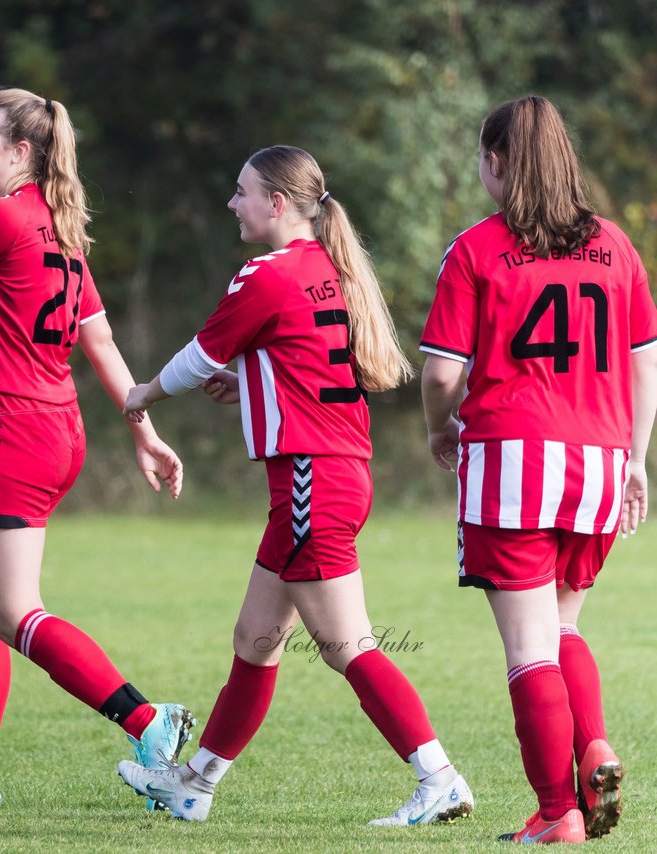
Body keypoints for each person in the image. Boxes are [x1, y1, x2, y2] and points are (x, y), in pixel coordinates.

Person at [117, 145, 473, 826]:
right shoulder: (319, 266)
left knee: (347, 647)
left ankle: (440, 778)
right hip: (323, 477)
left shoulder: (269, 272)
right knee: (255, 636)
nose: (233, 203)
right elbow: (290, 361)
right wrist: (248, 383)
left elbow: (199, 356)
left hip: (315, 479)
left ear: (278, 203)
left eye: (242, 191)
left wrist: (145, 393)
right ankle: (195, 783)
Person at [0, 85, 190, 806]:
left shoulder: (1, 217)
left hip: (10, 429)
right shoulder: (57, 223)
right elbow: (101, 340)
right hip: (54, 426)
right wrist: (143, 433)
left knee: (14, 611)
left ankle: (149, 721)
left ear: (21, 153)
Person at [420, 95, 656, 844]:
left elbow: (437, 373)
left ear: (496, 162)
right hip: (599, 462)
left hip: (514, 461)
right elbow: (645, 362)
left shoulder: (478, 249)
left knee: (527, 651)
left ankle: (558, 815)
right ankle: (595, 746)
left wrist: (438, 428)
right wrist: (637, 459)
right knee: (562, 627)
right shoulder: (617, 246)